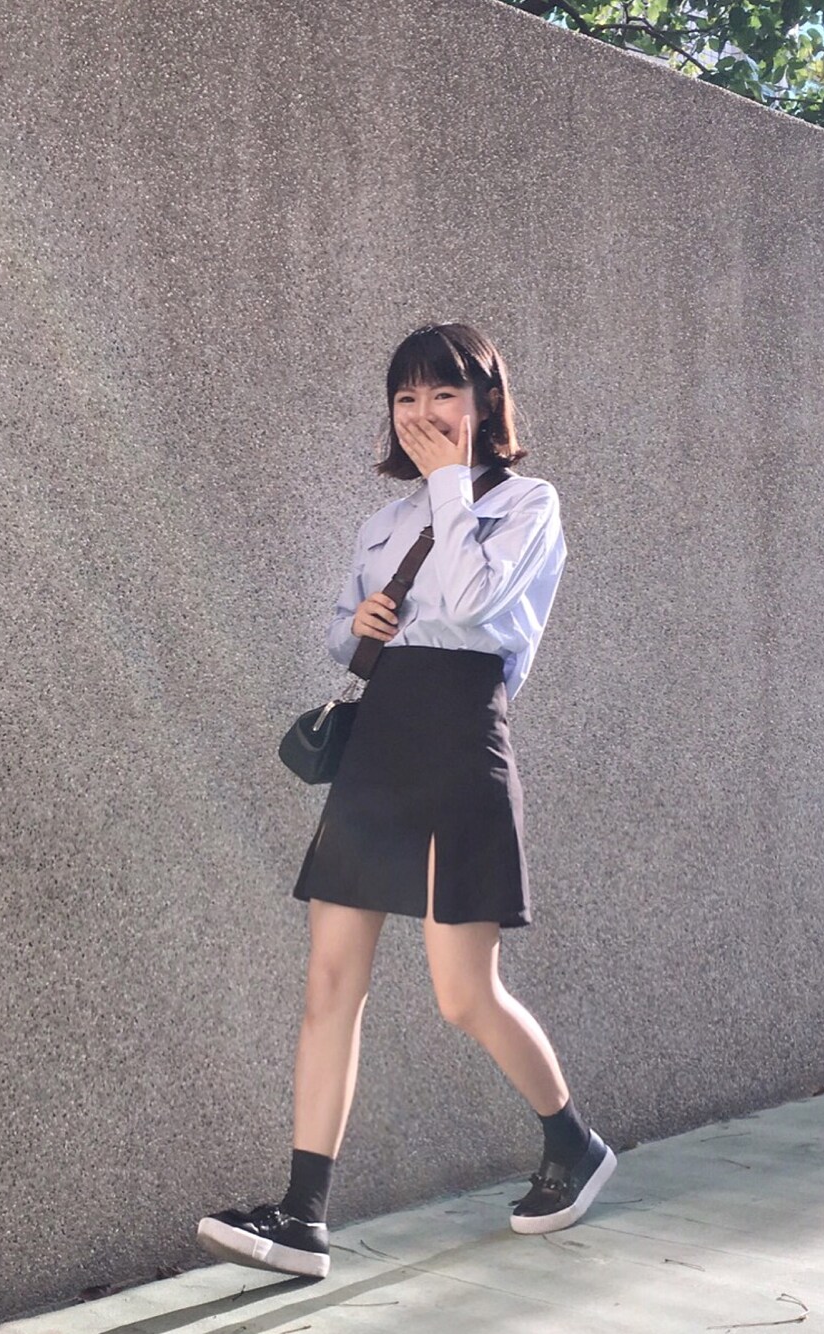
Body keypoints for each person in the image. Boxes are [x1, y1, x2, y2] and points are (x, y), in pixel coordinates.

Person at [196, 322, 616, 1280]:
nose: (422, 414)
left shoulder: (529, 504)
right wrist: (356, 623)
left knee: (464, 994)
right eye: (406, 397)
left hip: (461, 740)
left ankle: (574, 1143)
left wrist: (449, 483)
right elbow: (346, 643)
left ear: (485, 402)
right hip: (380, 743)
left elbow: (471, 607)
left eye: (443, 394)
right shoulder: (384, 522)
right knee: (330, 980)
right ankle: (302, 1216)